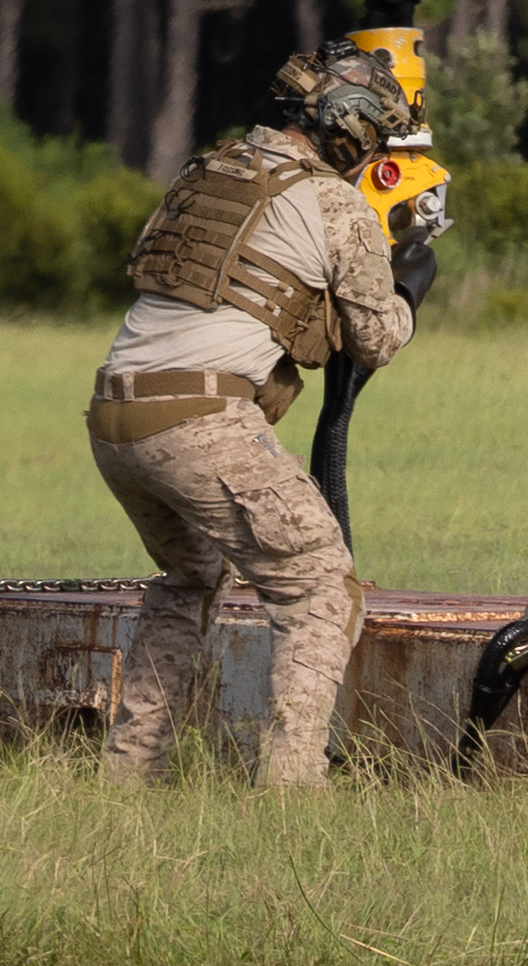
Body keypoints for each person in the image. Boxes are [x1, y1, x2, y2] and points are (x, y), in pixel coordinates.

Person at [85, 43, 427, 786]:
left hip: (115, 412)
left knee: (188, 578)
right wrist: (409, 289)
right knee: (319, 585)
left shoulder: (206, 169)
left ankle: (128, 771)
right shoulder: (336, 202)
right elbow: (375, 339)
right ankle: (292, 783)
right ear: (352, 128)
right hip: (200, 417)